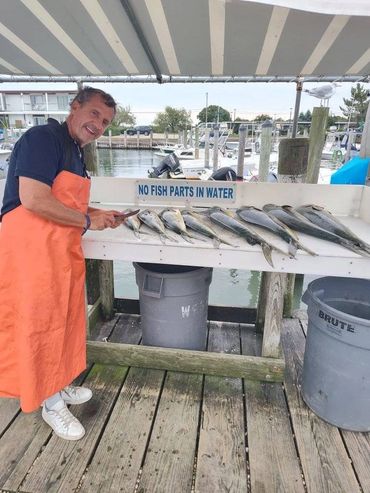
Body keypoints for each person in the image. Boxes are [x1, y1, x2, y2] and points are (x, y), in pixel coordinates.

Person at [0, 87, 125, 441]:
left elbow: (65, 203)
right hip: (31, 251)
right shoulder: (44, 138)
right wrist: (87, 222)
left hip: (58, 250)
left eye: (106, 122)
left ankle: (56, 384)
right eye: (95, 114)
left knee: (65, 320)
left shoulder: (75, 151)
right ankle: (50, 403)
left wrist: (98, 214)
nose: (99, 125)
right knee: (40, 325)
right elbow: (34, 199)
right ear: (75, 107)